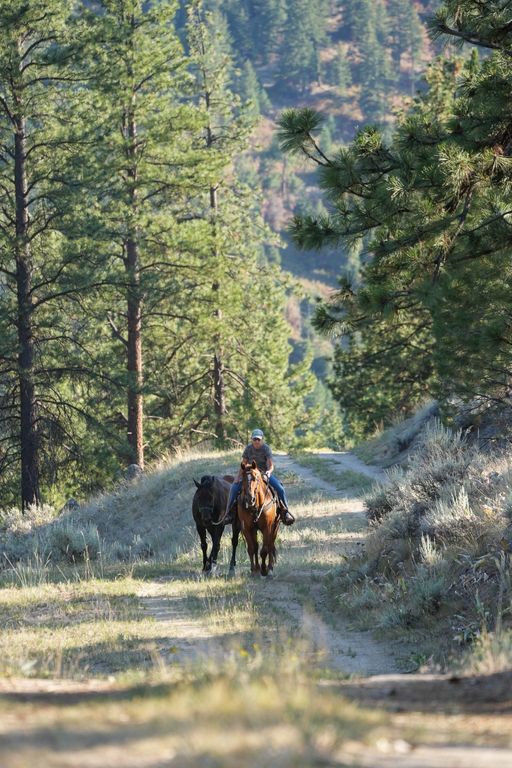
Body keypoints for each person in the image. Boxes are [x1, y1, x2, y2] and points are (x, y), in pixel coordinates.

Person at [225, 428, 295, 525]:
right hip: (249, 474)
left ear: (262, 439)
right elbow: (243, 463)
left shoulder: (266, 449)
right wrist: (238, 476)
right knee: (233, 488)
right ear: (252, 440)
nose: (256, 441)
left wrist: (269, 472)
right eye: (255, 439)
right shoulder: (248, 449)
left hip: (263, 474)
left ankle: (285, 512)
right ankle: (228, 513)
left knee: (280, 488)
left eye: (258, 439)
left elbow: (271, 465)